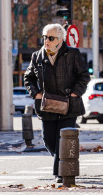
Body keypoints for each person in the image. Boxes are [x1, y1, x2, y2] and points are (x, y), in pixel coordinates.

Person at [24, 23, 90, 183]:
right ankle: (64, 162)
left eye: (50, 38)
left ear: (60, 39)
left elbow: (84, 76)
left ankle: (60, 174)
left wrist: (75, 93)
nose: (46, 41)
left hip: (69, 105)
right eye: (45, 37)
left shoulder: (73, 54)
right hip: (47, 106)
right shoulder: (37, 56)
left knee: (63, 139)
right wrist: (36, 94)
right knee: (48, 141)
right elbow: (28, 77)